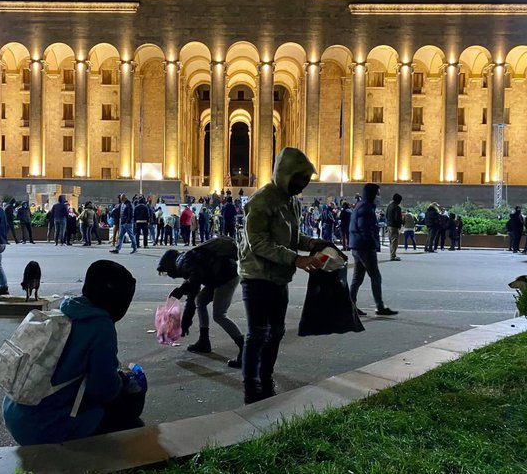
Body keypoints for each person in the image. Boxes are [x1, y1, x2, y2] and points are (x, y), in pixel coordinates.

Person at [3, 260, 145, 445]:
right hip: (44, 427)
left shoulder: (66, 310)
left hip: (15, 414)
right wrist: (124, 380)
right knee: (131, 407)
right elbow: (103, 389)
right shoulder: (101, 326)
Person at [239, 147, 329, 404]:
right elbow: (258, 243)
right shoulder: (260, 202)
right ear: (285, 175)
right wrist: (296, 259)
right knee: (258, 333)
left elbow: (291, 237)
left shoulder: (291, 202)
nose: (303, 186)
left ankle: (266, 379)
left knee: (276, 332)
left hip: (279, 278)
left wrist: (311, 243)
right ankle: (251, 385)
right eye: (300, 180)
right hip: (256, 277)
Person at [158, 238, 244, 368]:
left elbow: (193, 290)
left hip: (227, 277)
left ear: (170, 266)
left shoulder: (185, 263)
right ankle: (204, 341)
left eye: (166, 272)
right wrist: (181, 290)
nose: (169, 275)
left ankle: (245, 349)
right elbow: (194, 280)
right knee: (201, 300)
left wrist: (186, 320)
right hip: (219, 276)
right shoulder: (186, 259)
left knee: (219, 315)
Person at [349, 183, 398, 319]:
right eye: (377, 193)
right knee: (375, 276)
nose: (378, 196)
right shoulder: (366, 208)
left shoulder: (361, 206)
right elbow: (365, 228)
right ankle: (380, 306)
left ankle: (350, 305)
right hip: (365, 247)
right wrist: (373, 243)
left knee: (357, 278)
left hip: (358, 246)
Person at [385, 193, 403, 261]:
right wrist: (400, 223)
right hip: (394, 226)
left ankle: (392, 254)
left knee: (391, 241)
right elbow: (397, 218)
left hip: (389, 225)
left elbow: (386, 215)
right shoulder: (397, 207)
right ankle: (393, 256)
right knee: (394, 241)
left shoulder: (389, 206)